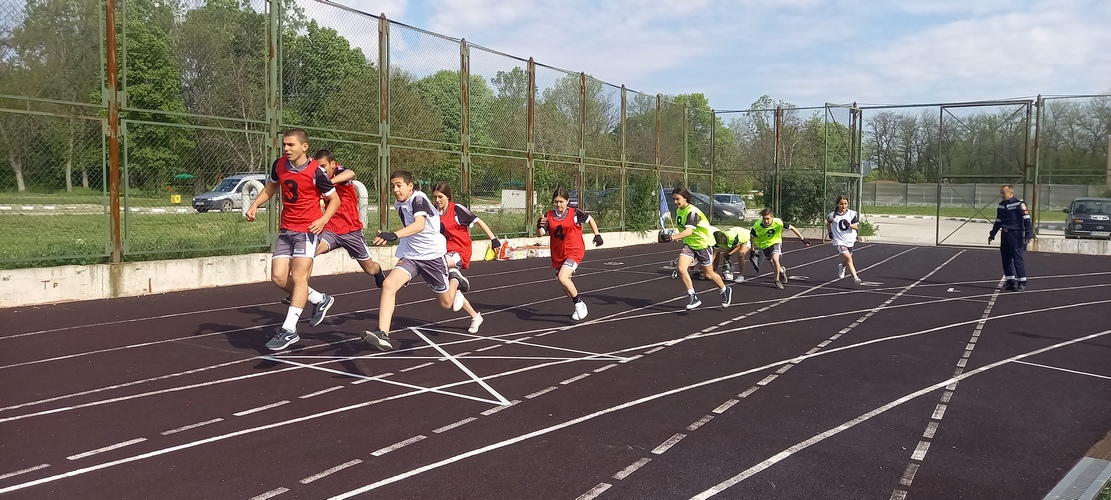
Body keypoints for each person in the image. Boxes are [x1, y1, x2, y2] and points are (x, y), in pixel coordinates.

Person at [362, 171, 482, 352]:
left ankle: (454, 278)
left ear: (410, 186)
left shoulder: (419, 199)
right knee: (388, 284)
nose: (395, 190)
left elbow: (419, 225)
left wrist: (393, 235)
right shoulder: (398, 203)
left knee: (446, 303)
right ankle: (383, 334)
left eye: (399, 185)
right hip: (412, 255)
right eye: (393, 186)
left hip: (432, 256)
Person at [245, 129, 340, 351]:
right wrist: (255, 204)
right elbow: (272, 186)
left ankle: (289, 329)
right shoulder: (279, 165)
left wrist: (323, 220)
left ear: (304, 147)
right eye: (284, 145)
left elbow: (334, 200)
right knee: (278, 277)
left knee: (299, 277)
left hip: (307, 230)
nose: (286, 149)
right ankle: (319, 299)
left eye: (291, 145)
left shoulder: (316, 171)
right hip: (286, 229)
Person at [658, 187, 731, 309]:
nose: (675, 202)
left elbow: (688, 232)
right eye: (674, 199)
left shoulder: (692, 212)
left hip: (703, 245)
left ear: (685, 198)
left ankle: (725, 289)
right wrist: (669, 236)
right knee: (681, 268)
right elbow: (685, 233)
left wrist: (671, 238)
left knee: (708, 274)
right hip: (690, 245)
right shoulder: (680, 211)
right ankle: (693, 297)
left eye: (678, 199)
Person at [536, 187, 603, 321]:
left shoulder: (574, 213)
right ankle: (577, 303)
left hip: (574, 250)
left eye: (561, 201)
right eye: (556, 202)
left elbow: (590, 219)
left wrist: (597, 235)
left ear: (567, 201)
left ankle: (579, 304)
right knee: (565, 285)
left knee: (563, 277)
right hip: (558, 253)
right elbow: (540, 234)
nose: (559, 204)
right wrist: (538, 225)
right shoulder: (548, 215)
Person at [430, 181, 501, 293]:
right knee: (446, 287)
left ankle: (457, 280)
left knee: (437, 264)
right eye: (435, 197)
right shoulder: (433, 211)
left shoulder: (457, 210)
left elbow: (478, 222)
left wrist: (494, 239)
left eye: (440, 197)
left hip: (459, 251)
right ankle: (459, 291)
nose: (437, 200)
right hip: (442, 251)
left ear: (448, 197)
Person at [750, 207, 811, 289]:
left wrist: (802, 239)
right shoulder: (757, 226)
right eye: (764, 219)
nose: (766, 221)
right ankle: (782, 271)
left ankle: (776, 280)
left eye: (768, 219)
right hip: (764, 245)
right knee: (773, 264)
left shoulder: (778, 222)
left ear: (772, 217)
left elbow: (792, 228)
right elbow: (752, 236)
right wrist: (752, 250)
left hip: (776, 242)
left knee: (775, 259)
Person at [988, 184, 1033, 291]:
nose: (1002, 195)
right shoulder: (1001, 205)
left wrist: (1028, 234)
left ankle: (1022, 282)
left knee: (1017, 258)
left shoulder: (1019, 204)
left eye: (1004, 193)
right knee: (1006, 258)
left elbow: (1026, 219)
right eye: (1001, 193)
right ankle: (1010, 281)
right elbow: (998, 221)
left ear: (1011, 193)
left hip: (1016, 234)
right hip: (1005, 234)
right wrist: (992, 234)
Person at [828, 195, 863, 285]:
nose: (843, 206)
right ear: (838, 204)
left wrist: (849, 225)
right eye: (841, 204)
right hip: (839, 240)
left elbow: (856, 227)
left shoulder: (852, 214)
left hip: (850, 240)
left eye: (845, 204)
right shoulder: (832, 215)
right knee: (848, 258)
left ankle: (842, 266)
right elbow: (828, 223)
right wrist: (830, 232)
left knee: (848, 258)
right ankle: (856, 277)